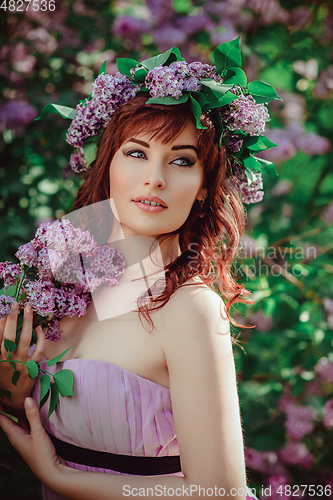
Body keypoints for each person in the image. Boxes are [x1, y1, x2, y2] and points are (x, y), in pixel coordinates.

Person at [0, 43, 276, 500]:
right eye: (136, 153)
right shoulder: (66, 278)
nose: (156, 178)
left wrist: (61, 479)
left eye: (182, 160)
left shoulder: (189, 307)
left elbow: (220, 494)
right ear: (108, 162)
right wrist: (15, 393)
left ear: (206, 187)